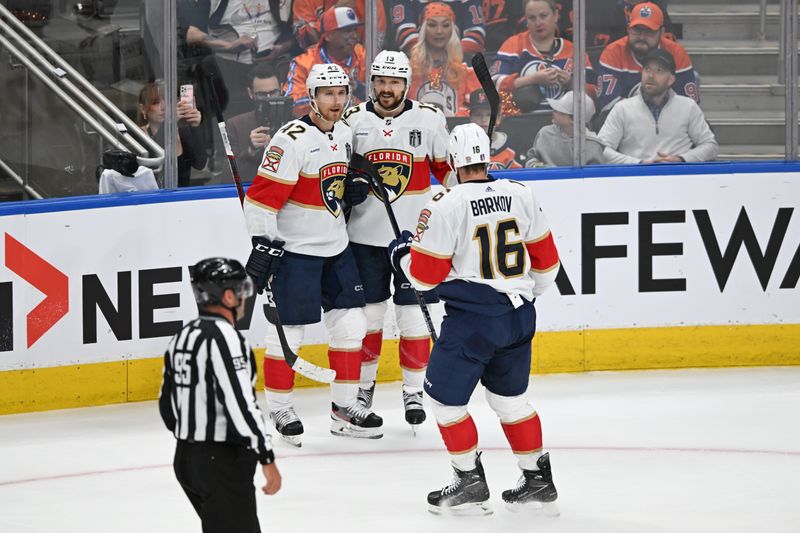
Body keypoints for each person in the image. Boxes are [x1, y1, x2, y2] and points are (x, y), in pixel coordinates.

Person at [387, 123, 560, 514]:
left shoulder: (444, 203)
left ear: (451, 162)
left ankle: (469, 482)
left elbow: (425, 277)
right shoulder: (521, 193)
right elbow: (547, 266)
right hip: (520, 317)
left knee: (445, 403)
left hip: (473, 322)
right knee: (510, 401)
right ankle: (538, 481)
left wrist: (402, 256)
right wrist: (515, 295)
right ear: (488, 158)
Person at [243, 63, 381, 446]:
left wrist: (352, 189)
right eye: (328, 94)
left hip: (336, 249)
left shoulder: (346, 132)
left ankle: (344, 407)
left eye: (341, 94)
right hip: (296, 253)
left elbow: (335, 183)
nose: (336, 101)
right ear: (312, 97)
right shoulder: (291, 140)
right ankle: (281, 407)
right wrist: (264, 244)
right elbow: (258, 202)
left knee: (352, 325)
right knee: (288, 332)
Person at [342, 50, 451, 429]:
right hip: (364, 238)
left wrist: (470, 195)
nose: (387, 89)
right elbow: (336, 171)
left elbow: (446, 170)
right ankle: (363, 388)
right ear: (371, 82)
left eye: (395, 82)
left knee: (413, 318)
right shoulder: (352, 119)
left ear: (407, 84)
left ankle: (413, 391)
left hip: (413, 239)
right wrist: (345, 190)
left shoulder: (430, 118)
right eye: (381, 81)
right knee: (369, 317)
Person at [159, 257, 282, 533]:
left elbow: (167, 405)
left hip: (186, 459)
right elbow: (241, 404)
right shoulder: (227, 339)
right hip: (221, 462)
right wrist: (266, 456)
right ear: (228, 296)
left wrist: (193, 444)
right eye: (239, 291)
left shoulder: (182, 337)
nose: (243, 298)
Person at [598, 49, 718, 164]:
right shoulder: (622, 108)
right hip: (635, 178)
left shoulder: (688, 106)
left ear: (671, 79)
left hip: (678, 177)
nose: (651, 75)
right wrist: (638, 163)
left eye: (659, 70)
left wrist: (681, 159)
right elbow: (601, 149)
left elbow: (710, 146)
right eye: (647, 69)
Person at [491, 0, 597, 113]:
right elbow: (492, 87)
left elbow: (594, 93)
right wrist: (532, 79)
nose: (538, 23)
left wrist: (570, 83)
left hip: (565, 125)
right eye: (532, 18)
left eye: (543, 16)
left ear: (556, 16)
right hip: (522, 122)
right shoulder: (514, 45)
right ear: (526, 20)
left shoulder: (574, 51)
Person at [597, 2, 697, 114]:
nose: (642, 36)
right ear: (628, 29)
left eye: (649, 31)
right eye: (636, 30)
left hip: (667, 119)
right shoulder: (613, 52)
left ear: (662, 32)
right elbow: (607, 104)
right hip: (624, 121)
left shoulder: (676, 52)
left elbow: (690, 105)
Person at [284, 6, 368, 117]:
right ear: (328, 36)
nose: (355, 36)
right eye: (347, 31)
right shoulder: (304, 63)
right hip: (318, 127)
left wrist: (358, 88)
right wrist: (325, 92)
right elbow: (292, 103)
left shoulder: (363, 55)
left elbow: (380, 95)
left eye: (354, 30)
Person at [405, 2, 481, 117]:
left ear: (453, 30)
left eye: (445, 25)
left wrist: (452, 117)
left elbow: (478, 109)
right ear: (424, 29)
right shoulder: (409, 71)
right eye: (432, 25)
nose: (439, 31)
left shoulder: (466, 70)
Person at [138, 82, 207, 187]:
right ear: (143, 109)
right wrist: (169, 123)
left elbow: (200, 164)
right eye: (156, 102)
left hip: (182, 198)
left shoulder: (183, 132)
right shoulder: (137, 135)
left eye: (169, 101)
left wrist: (195, 127)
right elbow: (156, 156)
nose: (164, 107)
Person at [226, 63, 288, 181]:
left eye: (273, 92)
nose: (269, 98)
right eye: (262, 94)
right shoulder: (236, 125)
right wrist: (250, 151)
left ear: (281, 88)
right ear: (250, 93)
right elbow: (228, 178)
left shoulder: (296, 123)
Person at [525, 90, 606, 167]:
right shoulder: (545, 133)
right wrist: (538, 167)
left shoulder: (593, 144)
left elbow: (594, 175)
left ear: (573, 119)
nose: (553, 112)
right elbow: (531, 159)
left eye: (559, 111)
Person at [391, 0, 486, 57]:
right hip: (417, 61)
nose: (439, 31)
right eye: (432, 25)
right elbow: (404, 32)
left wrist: (453, 57)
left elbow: (476, 33)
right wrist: (427, 57)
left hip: (459, 61)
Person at [293, 0, 387, 49]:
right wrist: (335, 11)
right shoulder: (304, 1)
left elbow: (374, 50)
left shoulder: (372, 3)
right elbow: (306, 42)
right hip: (318, 65)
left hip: (357, 65)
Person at [467, 89, 523, 170]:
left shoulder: (511, 145)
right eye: (478, 115)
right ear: (471, 118)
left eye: (489, 115)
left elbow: (520, 176)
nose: (484, 120)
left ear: (499, 118)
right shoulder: (462, 145)